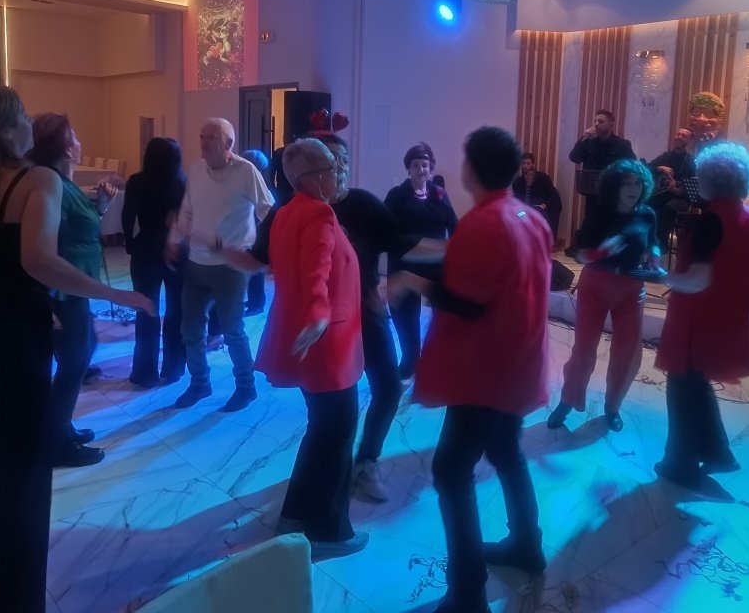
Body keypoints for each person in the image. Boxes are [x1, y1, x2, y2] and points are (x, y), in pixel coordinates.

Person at [0, 84, 151, 613]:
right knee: (24, 465)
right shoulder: (36, 179)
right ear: (7, 127)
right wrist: (115, 293)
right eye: (21, 118)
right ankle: (7, 596)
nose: (26, 126)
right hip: (15, 335)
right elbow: (38, 261)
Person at [220, 133, 444, 503]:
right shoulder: (296, 209)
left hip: (366, 314)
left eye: (343, 162)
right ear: (312, 171)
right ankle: (320, 493)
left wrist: (453, 249)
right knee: (331, 417)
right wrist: (219, 250)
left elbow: (404, 243)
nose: (338, 169)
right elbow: (263, 260)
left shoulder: (362, 204)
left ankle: (364, 462)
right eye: (331, 161)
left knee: (388, 388)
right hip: (325, 327)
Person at [388, 126, 551, 613]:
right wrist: (435, 254)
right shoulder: (528, 216)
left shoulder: (484, 222)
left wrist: (410, 282)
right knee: (506, 451)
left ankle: (467, 592)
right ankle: (527, 545)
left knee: (451, 470)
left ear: (470, 168)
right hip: (519, 361)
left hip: (485, 370)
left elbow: (468, 303)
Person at [253, 137, 369, 561]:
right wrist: (319, 313)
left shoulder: (287, 212)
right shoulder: (319, 212)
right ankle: (329, 531)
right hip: (326, 343)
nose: (337, 173)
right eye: (329, 168)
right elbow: (315, 271)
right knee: (337, 435)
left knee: (320, 430)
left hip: (310, 340)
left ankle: (295, 513)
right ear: (308, 179)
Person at [654, 142, 749, 491]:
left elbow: (698, 279)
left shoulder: (710, 221)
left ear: (709, 178)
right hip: (728, 315)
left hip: (697, 319)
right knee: (696, 384)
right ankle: (718, 453)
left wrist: (662, 277)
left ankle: (680, 464)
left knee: (682, 389)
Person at [167, 118, 274, 412]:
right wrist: (175, 239)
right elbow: (187, 209)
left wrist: (264, 253)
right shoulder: (196, 169)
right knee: (191, 330)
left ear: (229, 143)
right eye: (202, 137)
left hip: (230, 266)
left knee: (232, 331)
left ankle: (246, 387)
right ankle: (200, 383)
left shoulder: (246, 171)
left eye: (211, 137)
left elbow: (269, 212)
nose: (204, 143)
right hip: (196, 263)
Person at [547, 158, 661, 433]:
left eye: (638, 183)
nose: (633, 188)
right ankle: (567, 400)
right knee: (583, 350)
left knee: (627, 353)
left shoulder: (647, 214)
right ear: (615, 186)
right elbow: (580, 255)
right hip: (596, 285)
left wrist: (655, 260)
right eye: (627, 183)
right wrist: (602, 252)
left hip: (631, 288)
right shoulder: (599, 213)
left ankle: (613, 407)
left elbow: (654, 242)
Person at [27, 112, 115, 468]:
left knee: (79, 356)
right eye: (75, 136)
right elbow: (47, 243)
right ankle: (57, 440)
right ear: (67, 147)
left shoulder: (66, 182)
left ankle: (58, 427)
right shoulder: (54, 186)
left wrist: (102, 208)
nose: (80, 142)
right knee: (75, 361)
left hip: (75, 290)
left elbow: (81, 229)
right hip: (63, 292)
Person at [385, 142, 458, 379]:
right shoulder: (397, 195)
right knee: (406, 317)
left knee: (445, 315)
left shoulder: (440, 194)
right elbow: (386, 229)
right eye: (416, 165)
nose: (421, 169)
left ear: (431, 168)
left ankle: (437, 359)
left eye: (425, 165)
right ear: (408, 168)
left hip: (436, 264)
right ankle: (410, 359)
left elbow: (453, 225)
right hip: (405, 265)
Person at [122, 137, 187, 388]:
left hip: (146, 247)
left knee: (146, 311)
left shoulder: (137, 181)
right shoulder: (184, 183)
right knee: (176, 311)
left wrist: (130, 243)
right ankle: (174, 368)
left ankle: (144, 372)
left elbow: (128, 215)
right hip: (177, 250)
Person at [568, 109, 636, 227]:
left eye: (600, 121)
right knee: (591, 225)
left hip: (613, 194)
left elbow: (632, 165)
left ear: (611, 124)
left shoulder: (622, 144)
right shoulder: (588, 143)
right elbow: (574, 158)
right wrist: (583, 138)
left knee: (610, 227)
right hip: (593, 194)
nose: (596, 124)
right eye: (595, 121)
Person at [646, 127, 696, 251]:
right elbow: (647, 167)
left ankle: (663, 242)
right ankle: (646, 239)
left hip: (681, 198)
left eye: (684, 136)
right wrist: (660, 168)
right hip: (663, 194)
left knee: (670, 207)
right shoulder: (666, 156)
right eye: (678, 134)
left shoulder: (691, 161)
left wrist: (678, 190)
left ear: (690, 141)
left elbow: (692, 185)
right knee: (646, 201)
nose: (679, 137)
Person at [240, 148, 271, 316]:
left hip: (255, 233)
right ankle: (254, 301)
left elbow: (265, 211)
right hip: (247, 232)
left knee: (255, 269)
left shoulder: (257, 184)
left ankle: (257, 303)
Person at [511, 151, 562, 241]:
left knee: (539, 215)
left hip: (541, 207)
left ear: (533, 164)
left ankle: (542, 240)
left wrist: (544, 205)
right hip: (525, 209)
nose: (526, 166)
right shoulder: (517, 182)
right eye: (524, 163)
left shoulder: (543, 177)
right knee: (519, 216)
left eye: (528, 163)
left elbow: (554, 194)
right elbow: (515, 200)